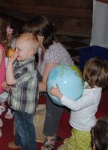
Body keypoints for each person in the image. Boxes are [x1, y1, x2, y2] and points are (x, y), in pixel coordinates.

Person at [23, 15, 74, 150]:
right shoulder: (41, 45)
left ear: (41, 35)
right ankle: (28, 115)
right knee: (27, 78)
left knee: (53, 100)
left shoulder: (53, 53)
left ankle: (50, 137)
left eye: (30, 34)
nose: (28, 37)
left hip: (65, 87)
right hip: (49, 77)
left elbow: (46, 86)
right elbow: (39, 68)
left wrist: (23, 87)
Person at [49, 57, 108, 150]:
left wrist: (59, 95)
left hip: (84, 128)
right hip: (79, 125)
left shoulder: (93, 95)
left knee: (81, 146)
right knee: (75, 137)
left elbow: (76, 106)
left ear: (89, 74)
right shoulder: (89, 84)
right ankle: (72, 144)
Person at [3, 33, 39, 150]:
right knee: (19, 124)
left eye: (19, 49)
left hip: (24, 106)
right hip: (19, 102)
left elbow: (10, 80)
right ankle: (18, 142)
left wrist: (9, 63)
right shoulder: (23, 61)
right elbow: (15, 80)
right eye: (15, 48)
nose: (15, 52)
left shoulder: (27, 67)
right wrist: (10, 86)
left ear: (31, 52)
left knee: (26, 130)